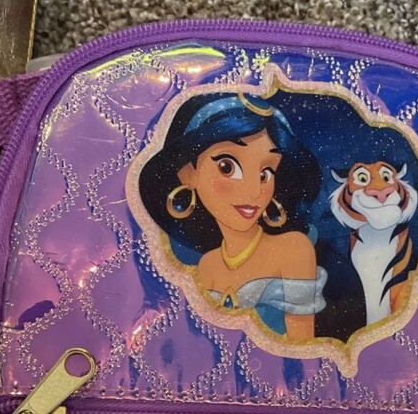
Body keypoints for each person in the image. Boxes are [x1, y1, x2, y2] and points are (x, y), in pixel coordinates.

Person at [136, 88, 326, 341]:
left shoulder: (293, 248)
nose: (254, 191)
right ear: (188, 174)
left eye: (266, 173)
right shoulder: (207, 266)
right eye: (228, 167)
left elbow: (303, 344)